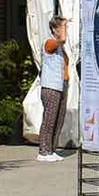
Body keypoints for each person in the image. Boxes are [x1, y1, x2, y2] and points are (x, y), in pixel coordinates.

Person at [35, 16, 70, 163]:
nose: (65, 30)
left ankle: (51, 149)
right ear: (55, 29)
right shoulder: (49, 43)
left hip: (61, 86)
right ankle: (43, 151)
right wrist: (64, 26)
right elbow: (62, 40)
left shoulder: (60, 47)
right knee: (49, 119)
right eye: (62, 27)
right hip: (51, 87)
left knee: (58, 119)